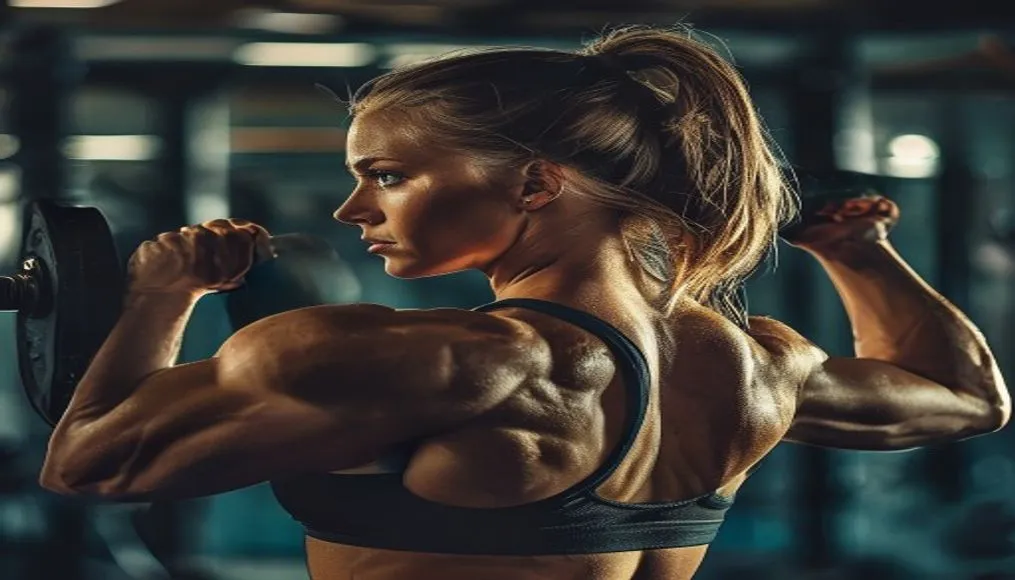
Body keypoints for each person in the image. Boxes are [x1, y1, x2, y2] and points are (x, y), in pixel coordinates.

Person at [39, 26, 1009, 580]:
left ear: (538, 185)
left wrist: (165, 293)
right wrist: (856, 253)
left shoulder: (447, 362)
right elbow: (961, 396)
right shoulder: (752, 362)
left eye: (387, 174)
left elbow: (97, 460)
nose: (353, 209)